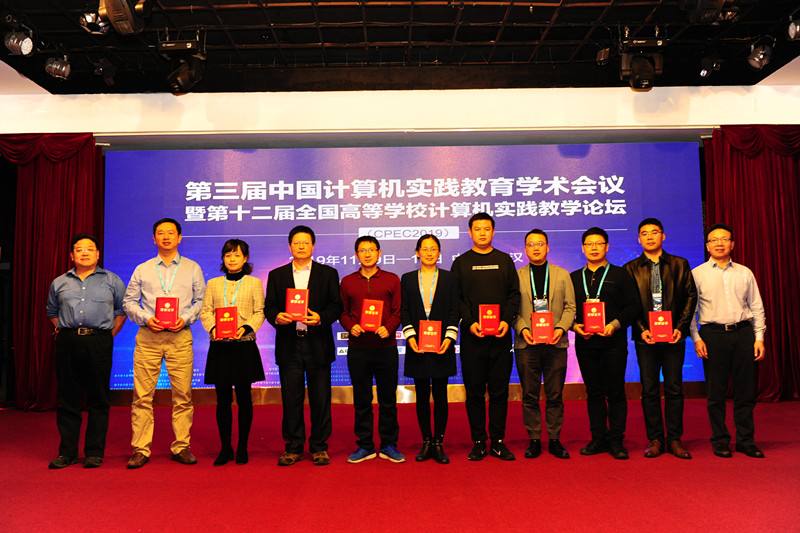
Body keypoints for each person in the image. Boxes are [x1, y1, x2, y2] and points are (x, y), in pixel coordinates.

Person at [123, 218, 205, 469]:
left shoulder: (192, 268)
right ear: (154, 238)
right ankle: (140, 449)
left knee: (183, 395)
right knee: (142, 396)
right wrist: (147, 319)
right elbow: (129, 302)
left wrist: (185, 318)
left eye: (171, 233)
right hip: (149, 337)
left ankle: (181, 446)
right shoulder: (142, 269)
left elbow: (200, 301)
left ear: (179, 237)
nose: (166, 237)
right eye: (161, 233)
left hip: (180, 336)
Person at [45, 233, 127, 469]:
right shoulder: (59, 282)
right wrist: (66, 330)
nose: (84, 253)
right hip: (68, 341)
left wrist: (107, 336)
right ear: (72, 255)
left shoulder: (112, 280)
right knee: (67, 399)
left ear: (98, 254)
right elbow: (52, 312)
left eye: (90, 249)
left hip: (99, 341)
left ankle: (94, 452)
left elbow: (121, 311)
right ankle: (67, 452)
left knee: (98, 399)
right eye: (79, 249)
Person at [265, 226, 343, 467]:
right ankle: (294, 447)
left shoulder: (327, 273)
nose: (301, 246)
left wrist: (320, 318)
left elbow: (336, 306)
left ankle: (319, 447)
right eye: (296, 242)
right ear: (290, 246)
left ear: (313, 246)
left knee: (321, 398)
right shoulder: (277, 275)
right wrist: (277, 317)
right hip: (289, 343)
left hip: (317, 342)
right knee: (291, 398)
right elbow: (270, 307)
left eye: (305, 242)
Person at [690, 223, 766, 458]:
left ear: (732, 244)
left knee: (745, 391)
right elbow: (691, 311)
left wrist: (759, 337)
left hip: (743, 334)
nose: (719, 243)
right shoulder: (697, 274)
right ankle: (720, 440)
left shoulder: (744, 272)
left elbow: (756, 306)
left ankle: (746, 440)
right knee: (715, 393)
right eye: (714, 240)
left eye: (724, 239)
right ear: (707, 246)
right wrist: (696, 338)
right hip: (712, 335)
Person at [624, 218, 697, 459]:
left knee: (675, 388)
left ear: (663, 236)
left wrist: (681, 327)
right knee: (649, 389)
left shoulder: (679, 264)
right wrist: (641, 328)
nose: (649, 237)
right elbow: (629, 303)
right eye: (644, 233)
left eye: (654, 232)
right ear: (639, 239)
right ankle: (655, 439)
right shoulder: (630, 268)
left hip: (674, 336)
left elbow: (690, 296)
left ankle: (674, 439)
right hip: (646, 338)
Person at [451, 213, 521, 461]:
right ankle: (479, 441)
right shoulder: (461, 263)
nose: (482, 233)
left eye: (487, 228)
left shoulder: (504, 260)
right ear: (470, 232)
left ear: (493, 231)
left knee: (500, 392)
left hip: (500, 337)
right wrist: (470, 323)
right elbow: (457, 298)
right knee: (474, 392)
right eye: (477, 229)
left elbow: (514, 295)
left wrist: (506, 320)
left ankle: (498, 441)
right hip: (473, 338)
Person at [570, 227, 638, 460]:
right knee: (593, 392)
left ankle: (616, 439)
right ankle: (598, 437)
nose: (594, 248)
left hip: (613, 343)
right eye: (589, 244)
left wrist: (614, 325)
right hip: (586, 344)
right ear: (583, 248)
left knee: (616, 391)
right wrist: (574, 327)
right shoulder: (573, 278)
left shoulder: (621, 274)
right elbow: (566, 309)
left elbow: (633, 306)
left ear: (607, 247)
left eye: (599, 243)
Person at [200, 239, 266, 466]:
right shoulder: (213, 283)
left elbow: (259, 312)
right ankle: (226, 448)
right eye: (228, 255)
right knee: (223, 400)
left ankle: (242, 446)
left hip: (243, 345)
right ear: (223, 258)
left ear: (245, 258)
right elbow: (206, 311)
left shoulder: (254, 283)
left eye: (237, 255)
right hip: (220, 346)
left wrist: (246, 328)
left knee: (245, 398)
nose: (232, 259)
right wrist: (213, 328)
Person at [339, 235, 404, 463]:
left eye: (371, 250)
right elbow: (342, 312)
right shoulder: (347, 281)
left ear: (379, 253)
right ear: (356, 255)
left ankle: (389, 444)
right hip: (358, 349)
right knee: (362, 400)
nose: (367, 254)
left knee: (388, 399)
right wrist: (350, 326)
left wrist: (389, 327)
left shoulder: (392, 279)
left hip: (386, 347)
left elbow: (397, 311)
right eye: (362, 250)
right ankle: (365, 445)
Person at [512, 229, 575, 460]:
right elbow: (512, 309)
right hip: (527, 344)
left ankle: (555, 439)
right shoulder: (516, 276)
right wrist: (523, 329)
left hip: (556, 344)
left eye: (540, 244)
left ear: (547, 247)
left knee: (555, 394)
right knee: (529, 395)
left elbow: (570, 307)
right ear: (525, 249)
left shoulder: (562, 275)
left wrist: (560, 329)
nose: (536, 248)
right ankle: (534, 439)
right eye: (531, 244)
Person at [400, 234, 460, 464]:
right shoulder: (407, 279)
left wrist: (449, 337)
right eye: (424, 249)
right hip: (417, 345)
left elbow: (454, 310)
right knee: (422, 395)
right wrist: (411, 336)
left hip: (442, 344)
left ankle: (438, 443)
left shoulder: (449, 278)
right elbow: (405, 311)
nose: (428, 252)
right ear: (417, 252)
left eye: (433, 249)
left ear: (439, 253)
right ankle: (426, 441)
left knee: (441, 394)